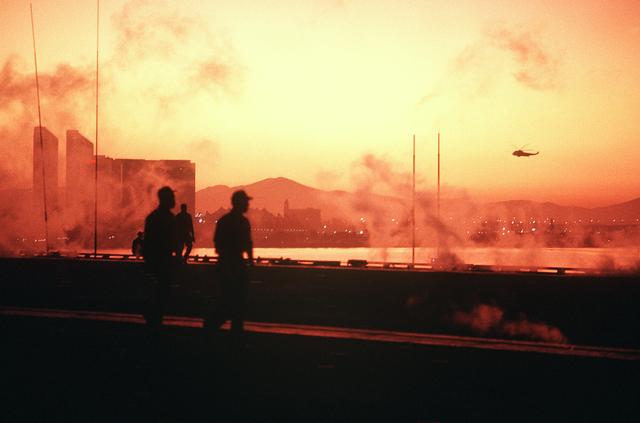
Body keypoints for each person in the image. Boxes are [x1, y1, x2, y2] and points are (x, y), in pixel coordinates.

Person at [212, 190, 254, 336]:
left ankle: (227, 330)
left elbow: (218, 245)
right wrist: (250, 262)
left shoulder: (225, 221)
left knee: (234, 303)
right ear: (239, 203)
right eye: (246, 201)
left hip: (230, 264)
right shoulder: (241, 222)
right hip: (233, 265)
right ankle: (216, 327)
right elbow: (248, 245)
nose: (248, 204)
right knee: (233, 303)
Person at [143, 186, 179, 328]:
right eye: (172, 197)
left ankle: (153, 317)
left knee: (160, 292)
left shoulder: (154, 217)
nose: (174, 200)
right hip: (161, 262)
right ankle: (153, 318)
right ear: (166, 199)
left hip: (157, 261)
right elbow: (173, 241)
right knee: (162, 292)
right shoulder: (167, 218)